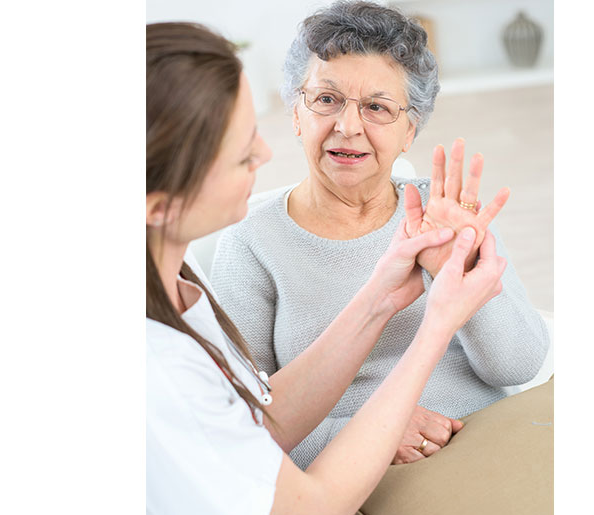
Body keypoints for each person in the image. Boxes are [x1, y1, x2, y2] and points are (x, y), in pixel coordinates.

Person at [146, 21, 508, 515]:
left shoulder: (170, 278)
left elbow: (258, 421)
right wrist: (437, 325)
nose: (264, 155)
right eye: (241, 153)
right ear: (157, 204)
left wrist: (383, 294)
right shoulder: (158, 370)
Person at [211, 0, 549, 471]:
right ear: (296, 114)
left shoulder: (446, 211)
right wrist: (368, 434)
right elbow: (240, 422)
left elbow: (518, 365)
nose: (348, 127)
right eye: (326, 100)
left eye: (377, 107)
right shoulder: (252, 243)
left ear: (410, 130)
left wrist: (461, 269)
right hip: (360, 476)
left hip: (492, 445)